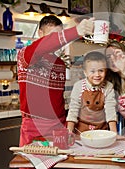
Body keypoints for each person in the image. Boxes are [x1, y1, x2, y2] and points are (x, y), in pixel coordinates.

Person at [17, 15, 94, 146]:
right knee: (30, 164)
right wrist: (76, 31)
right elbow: (43, 46)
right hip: (34, 127)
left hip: (58, 126)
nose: (57, 42)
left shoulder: (60, 63)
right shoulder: (26, 54)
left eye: (60, 36)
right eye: (52, 37)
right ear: (40, 33)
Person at [66, 51, 117, 134]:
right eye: (92, 71)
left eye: (101, 70)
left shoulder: (109, 86)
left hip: (101, 131)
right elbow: (73, 109)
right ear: (85, 72)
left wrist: (114, 133)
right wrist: (69, 131)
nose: (97, 74)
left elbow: (110, 110)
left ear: (106, 71)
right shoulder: (78, 86)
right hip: (81, 131)